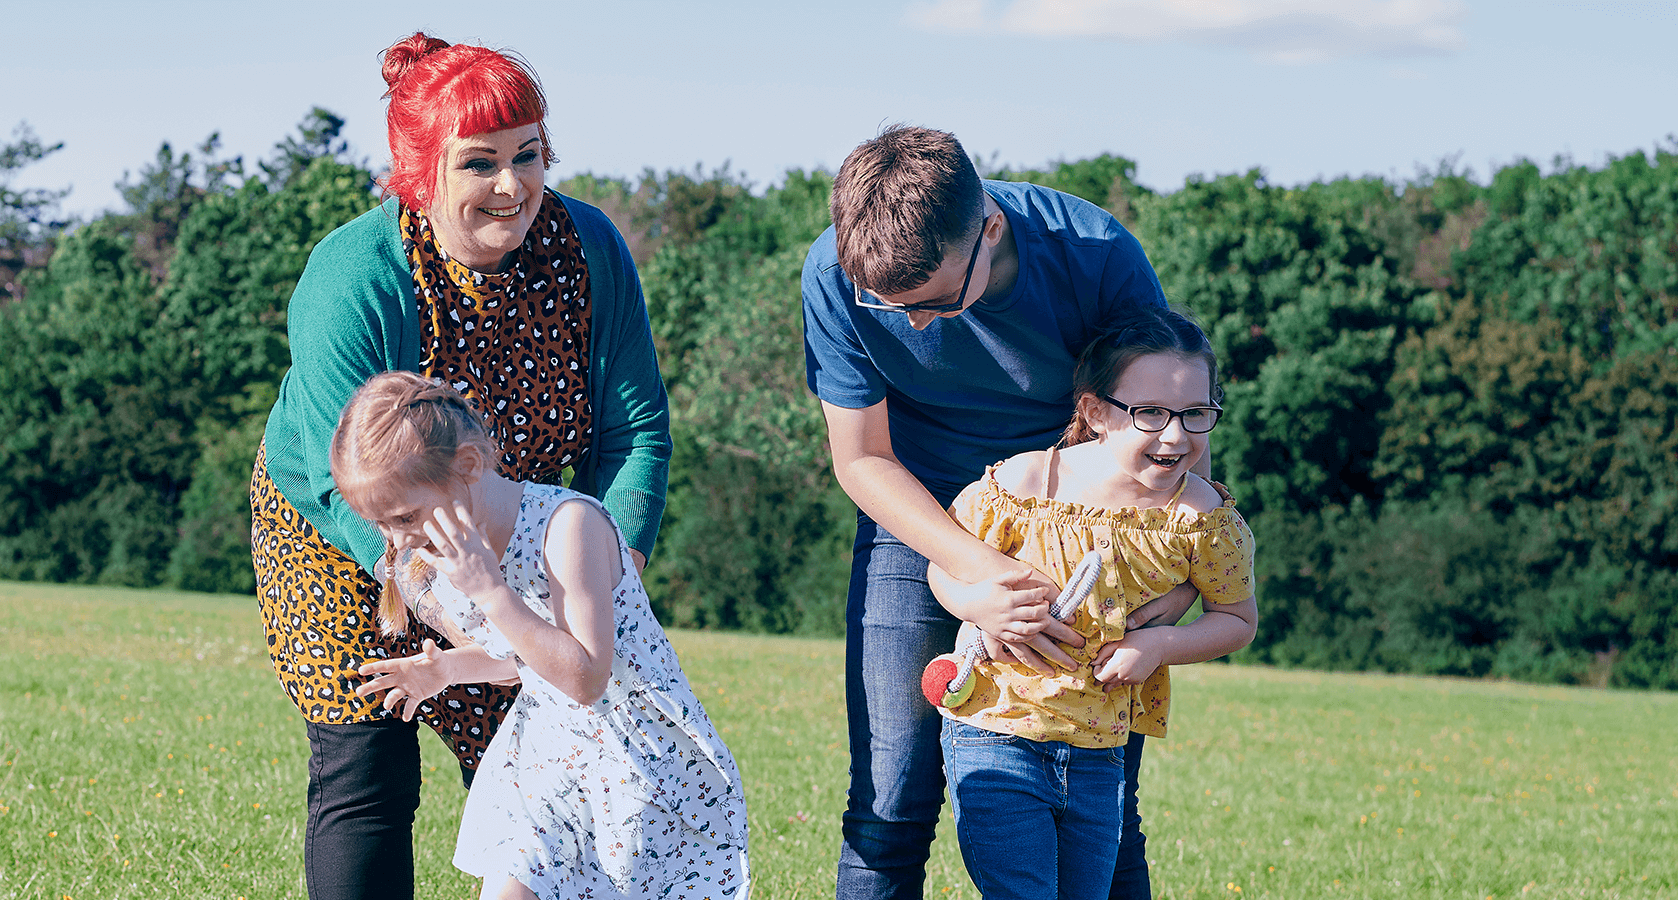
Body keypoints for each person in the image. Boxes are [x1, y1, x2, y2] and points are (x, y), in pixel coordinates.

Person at [248, 32, 670, 900]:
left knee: (548, 773)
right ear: (419, 172)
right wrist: (437, 596)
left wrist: (610, 563)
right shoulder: (353, 276)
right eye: (479, 163)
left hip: (518, 541)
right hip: (352, 537)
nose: (512, 186)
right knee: (368, 770)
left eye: (529, 155)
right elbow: (339, 477)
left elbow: (634, 430)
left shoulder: (589, 249)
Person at [800, 124, 1194, 900]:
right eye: (889, 306)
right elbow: (862, 458)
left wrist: (1174, 573)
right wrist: (982, 578)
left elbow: (1167, 424)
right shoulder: (835, 272)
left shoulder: (1098, 258)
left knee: (1102, 808)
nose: (913, 323)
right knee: (888, 807)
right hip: (917, 521)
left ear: (989, 230)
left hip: (1082, 536)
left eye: (936, 302)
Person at [329, 371, 748, 899]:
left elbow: (585, 676)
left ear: (468, 466)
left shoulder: (568, 527)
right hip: (547, 757)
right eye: (382, 524)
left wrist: (490, 590)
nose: (399, 539)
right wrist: (448, 668)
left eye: (405, 516)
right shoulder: (451, 554)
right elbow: (521, 657)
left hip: (638, 759)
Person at [927, 307, 1258, 899]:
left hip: (1100, 754)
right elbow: (942, 566)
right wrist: (976, 604)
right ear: (1095, 412)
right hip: (995, 732)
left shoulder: (1203, 521)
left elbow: (1236, 620)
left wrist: (1160, 644)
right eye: (1150, 412)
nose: (1176, 435)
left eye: (1195, 413)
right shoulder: (1024, 486)